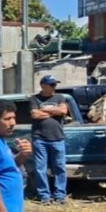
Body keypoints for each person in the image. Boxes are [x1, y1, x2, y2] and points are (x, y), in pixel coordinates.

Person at [30, 75, 68, 204]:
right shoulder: (35, 99)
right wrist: (54, 111)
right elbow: (35, 114)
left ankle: (60, 195)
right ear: (43, 85)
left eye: (55, 85)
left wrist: (45, 110)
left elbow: (64, 111)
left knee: (60, 167)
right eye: (51, 85)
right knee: (40, 168)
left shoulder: (59, 97)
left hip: (58, 138)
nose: (54, 87)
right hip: (39, 138)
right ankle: (44, 196)